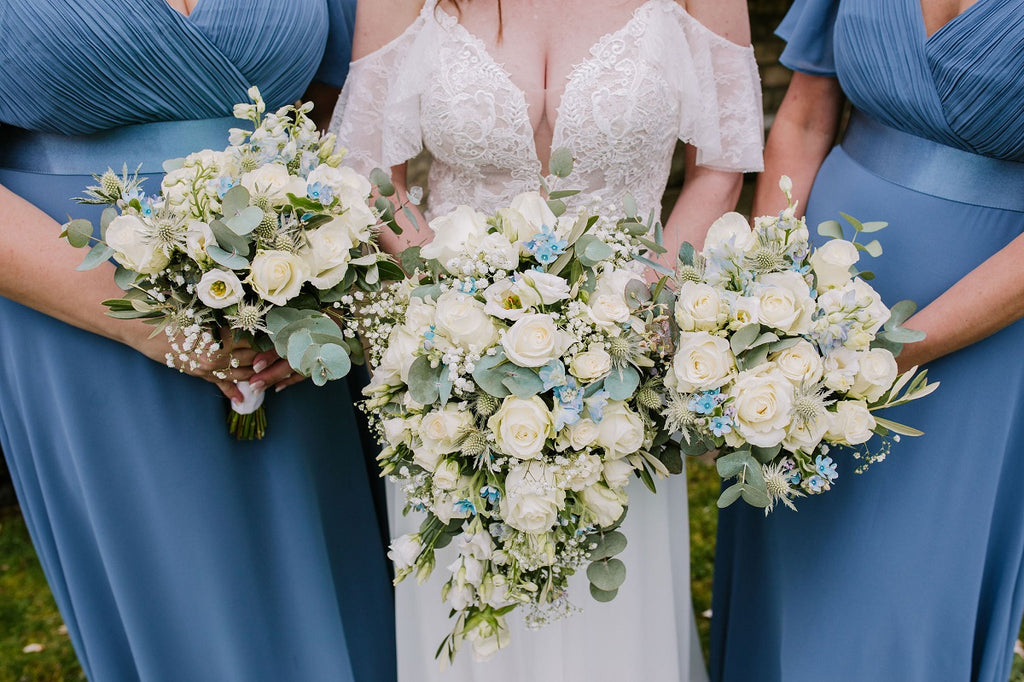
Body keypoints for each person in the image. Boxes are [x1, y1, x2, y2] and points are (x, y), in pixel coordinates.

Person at [332, 1, 763, 679]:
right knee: (470, 591)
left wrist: (643, 311)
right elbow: (369, 175)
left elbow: (722, 165)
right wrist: (449, 312)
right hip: (452, 365)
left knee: (611, 600)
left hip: (623, 362)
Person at [0, 1, 396, 680]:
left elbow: (344, 101)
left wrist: (330, 268)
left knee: (346, 595)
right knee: (191, 616)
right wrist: (145, 322)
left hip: (291, 308)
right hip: (80, 315)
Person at [710, 1, 1024, 680]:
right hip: (808, 306)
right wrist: (769, 296)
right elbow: (803, 113)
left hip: (978, 337)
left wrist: (892, 352)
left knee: (910, 586)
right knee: (792, 565)